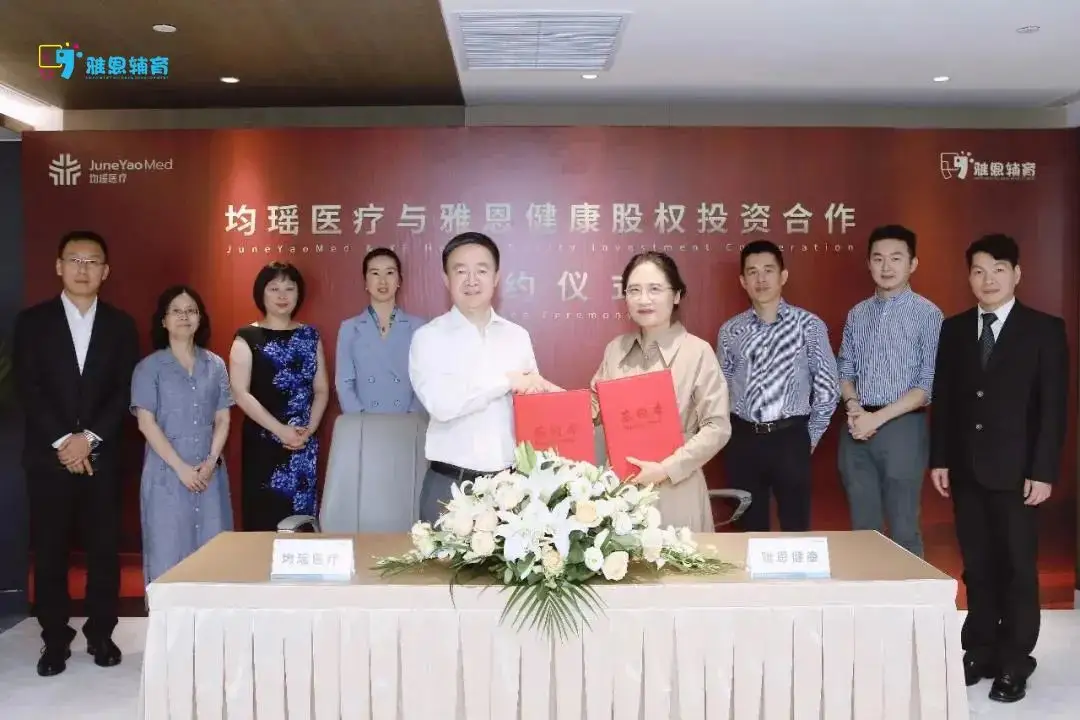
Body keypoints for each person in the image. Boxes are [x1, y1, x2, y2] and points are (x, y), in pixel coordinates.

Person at [929, 234, 1068, 704]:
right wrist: (940, 458)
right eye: (979, 271)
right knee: (978, 564)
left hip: (1019, 474)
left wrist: (1043, 470)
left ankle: (1015, 660)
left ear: (1017, 274)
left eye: (998, 270)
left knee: (1017, 567)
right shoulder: (954, 329)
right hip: (966, 470)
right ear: (969, 276)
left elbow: (1053, 409)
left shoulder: (1044, 330)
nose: (988, 280)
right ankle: (980, 649)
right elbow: (945, 399)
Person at [12, 230, 139, 676]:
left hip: (103, 456)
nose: (83, 269)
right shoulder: (32, 322)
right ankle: (54, 638)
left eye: (92, 261)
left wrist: (90, 438)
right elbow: (28, 386)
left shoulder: (121, 325)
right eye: (75, 260)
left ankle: (101, 633)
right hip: (49, 457)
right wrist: (65, 440)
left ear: (106, 271)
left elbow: (124, 388)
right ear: (59, 266)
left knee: (104, 549)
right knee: (50, 550)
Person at [409, 232, 558, 523]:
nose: (471, 280)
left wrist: (565, 400)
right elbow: (442, 405)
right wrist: (506, 381)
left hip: (511, 488)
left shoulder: (517, 336)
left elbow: (532, 401)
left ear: (496, 277)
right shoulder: (428, 338)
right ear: (446, 279)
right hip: (449, 487)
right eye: (460, 271)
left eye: (481, 270)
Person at [590, 252, 731, 531]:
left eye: (655, 289)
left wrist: (667, 469)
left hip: (677, 489)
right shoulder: (615, 349)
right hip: (622, 492)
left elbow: (717, 427)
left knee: (679, 557)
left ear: (676, 295)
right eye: (634, 290)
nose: (644, 299)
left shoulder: (697, 352)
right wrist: (547, 393)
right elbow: (594, 408)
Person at [717, 240, 839, 532]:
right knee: (748, 531)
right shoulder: (730, 331)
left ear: (783, 276)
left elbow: (828, 388)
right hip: (743, 438)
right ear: (743, 281)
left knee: (796, 530)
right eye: (753, 272)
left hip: (790, 437)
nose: (761, 279)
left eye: (768, 270)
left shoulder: (808, 325)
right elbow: (720, 388)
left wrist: (808, 438)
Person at [837, 225, 943, 558]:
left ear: (913, 264)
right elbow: (844, 370)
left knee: (903, 527)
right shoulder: (857, 314)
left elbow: (926, 385)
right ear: (868, 263)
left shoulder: (928, 314)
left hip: (903, 427)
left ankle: (910, 593)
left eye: (896, 258)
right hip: (856, 427)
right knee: (862, 529)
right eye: (878, 258)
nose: (886, 266)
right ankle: (866, 592)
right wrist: (854, 408)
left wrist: (876, 419)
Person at [131, 286, 234, 585]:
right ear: (163, 321)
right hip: (167, 473)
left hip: (209, 472)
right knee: (168, 553)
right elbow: (146, 424)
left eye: (191, 311)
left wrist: (211, 462)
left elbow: (223, 418)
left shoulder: (215, 365)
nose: (184, 317)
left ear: (200, 318)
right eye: (176, 311)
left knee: (215, 555)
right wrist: (182, 469)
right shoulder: (149, 368)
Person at [229, 262, 330, 530]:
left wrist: (309, 430)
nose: (282, 296)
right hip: (264, 443)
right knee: (263, 521)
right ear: (261, 293)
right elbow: (240, 392)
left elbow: (321, 389)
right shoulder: (246, 337)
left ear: (299, 293)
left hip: (302, 443)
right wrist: (280, 430)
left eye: (289, 289)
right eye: (274, 289)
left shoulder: (310, 335)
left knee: (302, 521)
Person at [336, 248, 425, 414]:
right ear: (365, 282)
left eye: (390, 273)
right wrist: (360, 419)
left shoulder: (418, 327)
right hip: (365, 421)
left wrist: (412, 417)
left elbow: (425, 381)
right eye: (375, 273)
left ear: (399, 280)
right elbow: (344, 383)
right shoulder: (349, 328)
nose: (383, 281)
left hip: (406, 422)